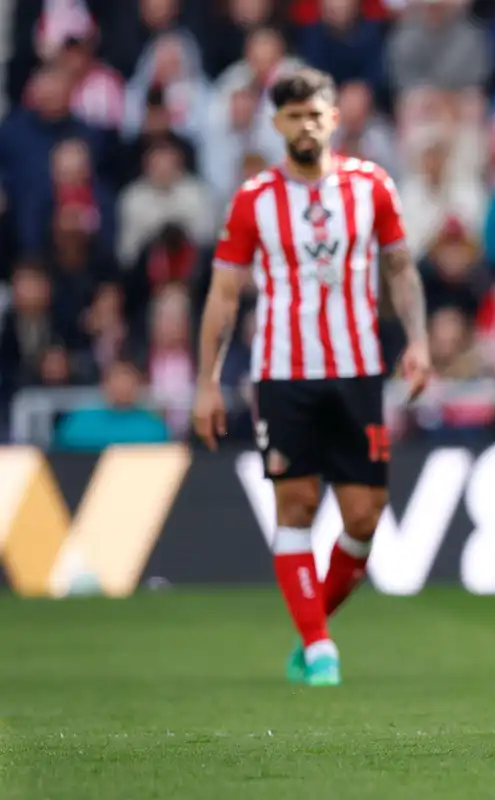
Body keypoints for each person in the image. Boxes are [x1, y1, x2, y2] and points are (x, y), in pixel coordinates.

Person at [191, 68, 432, 688]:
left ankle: (308, 625)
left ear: (334, 118)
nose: (305, 125)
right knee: (295, 504)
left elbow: (401, 269)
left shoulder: (370, 185)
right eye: (293, 116)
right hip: (283, 372)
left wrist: (419, 343)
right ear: (276, 125)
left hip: (357, 371)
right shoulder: (254, 200)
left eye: (315, 114)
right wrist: (207, 381)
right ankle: (320, 647)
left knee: (364, 517)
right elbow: (223, 294)